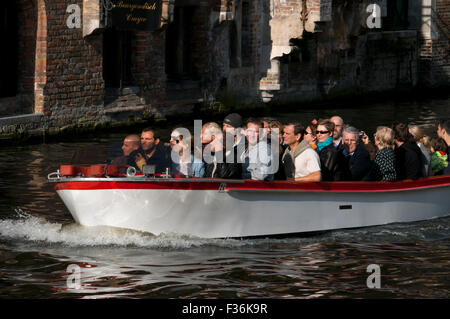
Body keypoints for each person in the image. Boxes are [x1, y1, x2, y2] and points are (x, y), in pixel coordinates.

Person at [222, 113, 245, 179]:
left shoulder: (245, 146)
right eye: (223, 125)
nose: (224, 128)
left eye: (228, 126)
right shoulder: (224, 143)